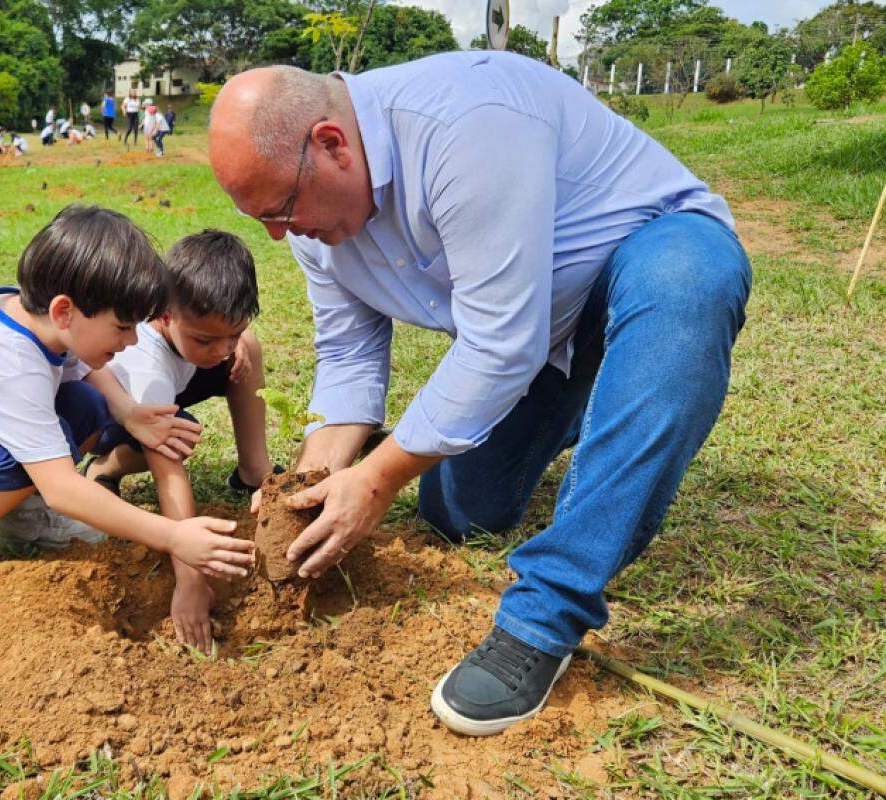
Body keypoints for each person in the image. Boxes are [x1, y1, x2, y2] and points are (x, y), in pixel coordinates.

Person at [207, 57, 751, 735]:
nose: (279, 235)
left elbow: (499, 344)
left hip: (648, 259)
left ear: (331, 143)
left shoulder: (466, 124)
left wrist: (376, 480)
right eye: (263, 219)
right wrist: (312, 482)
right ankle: (603, 403)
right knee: (460, 510)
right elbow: (348, 355)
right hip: (542, 341)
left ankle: (546, 615)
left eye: (283, 210)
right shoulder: (316, 226)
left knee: (686, 284)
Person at [0, 205, 255, 605]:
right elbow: (63, 489)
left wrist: (127, 412)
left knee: (88, 404)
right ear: (64, 311)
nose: (132, 342)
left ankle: (18, 517)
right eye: (122, 328)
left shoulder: (38, 319)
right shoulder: (12, 366)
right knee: (23, 452)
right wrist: (174, 536)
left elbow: (85, 370)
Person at [85, 230, 277, 652]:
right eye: (206, 339)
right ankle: (105, 466)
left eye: (232, 331)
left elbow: (224, 338)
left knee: (250, 351)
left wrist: (235, 343)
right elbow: (169, 474)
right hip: (116, 416)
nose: (220, 349)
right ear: (165, 314)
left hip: (170, 388)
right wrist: (190, 577)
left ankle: (253, 470)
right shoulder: (147, 367)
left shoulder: (213, 339)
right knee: (174, 436)